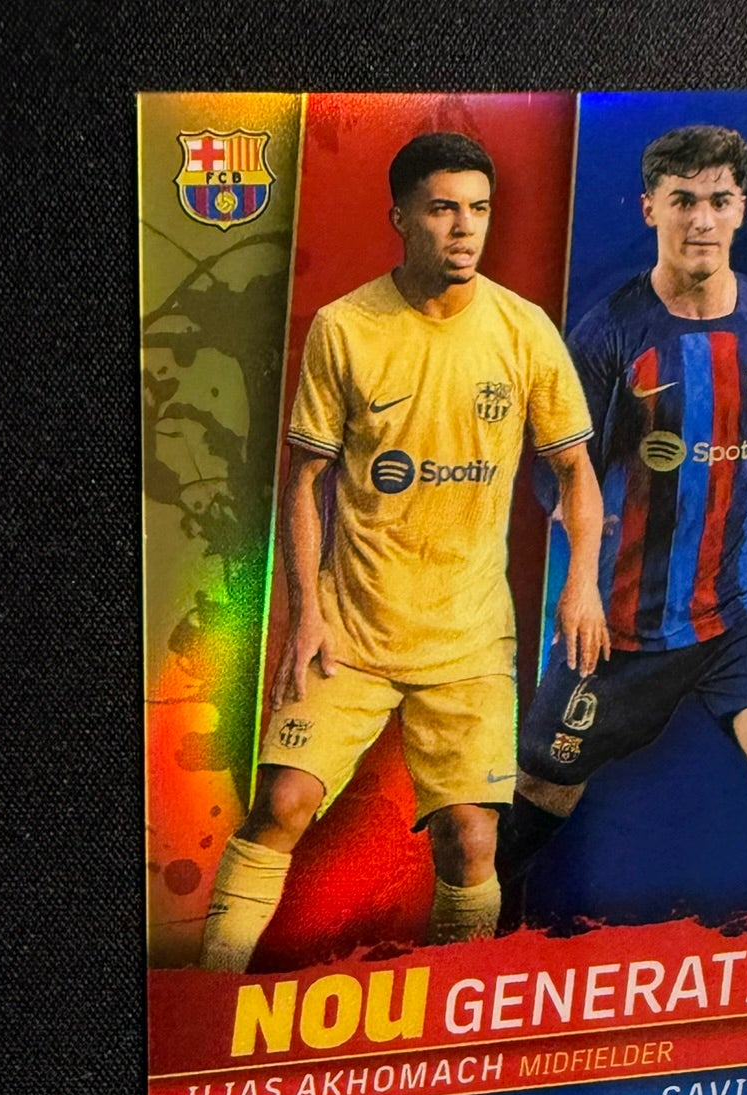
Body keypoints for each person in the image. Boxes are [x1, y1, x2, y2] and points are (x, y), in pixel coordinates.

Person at [199, 131, 607, 972]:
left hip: (468, 638)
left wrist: (583, 585)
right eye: (443, 209)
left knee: (471, 840)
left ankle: (452, 1011)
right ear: (401, 218)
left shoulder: (524, 331)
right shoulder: (346, 328)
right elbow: (305, 481)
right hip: (353, 627)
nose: (465, 228)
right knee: (281, 803)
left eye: (479, 210)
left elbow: (575, 470)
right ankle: (208, 994)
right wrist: (306, 614)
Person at [500, 123, 747, 928]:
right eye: (683, 200)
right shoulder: (609, 335)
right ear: (650, 208)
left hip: (740, 610)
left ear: (742, 208)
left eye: (720, 200)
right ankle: (478, 936)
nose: (702, 220)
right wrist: (579, 580)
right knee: (536, 797)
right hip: (621, 623)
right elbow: (557, 470)